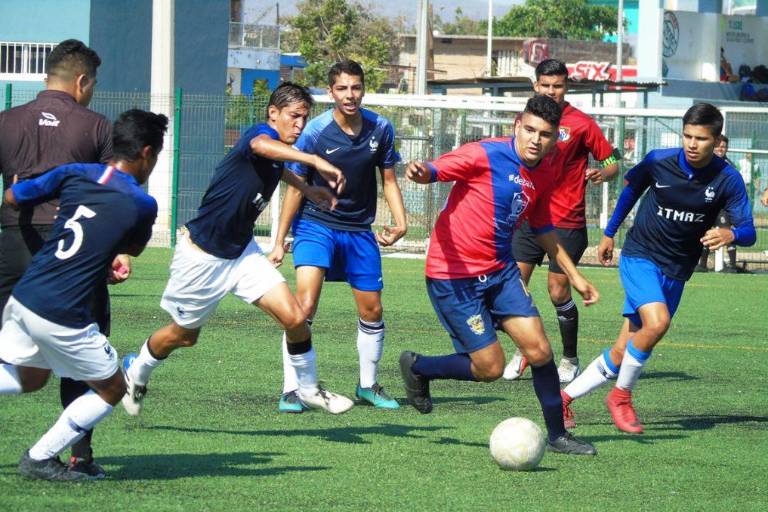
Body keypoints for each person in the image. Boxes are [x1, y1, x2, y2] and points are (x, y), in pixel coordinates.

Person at [121, 83, 355, 417]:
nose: (300, 124)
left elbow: (277, 166)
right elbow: (262, 147)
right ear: (273, 113)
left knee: (296, 318)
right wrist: (315, 160)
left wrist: (307, 189)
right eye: (294, 116)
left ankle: (308, 389)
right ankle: (137, 369)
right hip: (202, 256)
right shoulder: (259, 135)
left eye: (305, 118)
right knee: (184, 336)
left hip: (242, 254)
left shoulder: (277, 153)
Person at [398, 95, 599, 456]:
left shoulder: (547, 169)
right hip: (453, 276)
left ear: (555, 138)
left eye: (545, 134)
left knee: (540, 350)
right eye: (530, 130)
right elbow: (436, 169)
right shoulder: (484, 153)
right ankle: (419, 367)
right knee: (489, 368)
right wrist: (421, 171)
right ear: (517, 126)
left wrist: (575, 276)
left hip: (500, 272)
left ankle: (558, 435)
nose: (536, 140)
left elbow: (542, 226)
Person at [561, 103, 756, 434]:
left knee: (624, 350)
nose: (692, 144)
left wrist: (731, 234)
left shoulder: (728, 179)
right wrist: (609, 232)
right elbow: (631, 192)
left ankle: (563, 398)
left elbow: (749, 231)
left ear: (717, 140)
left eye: (701, 139)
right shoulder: (658, 161)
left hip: (677, 269)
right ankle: (621, 397)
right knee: (658, 322)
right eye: (687, 136)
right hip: (641, 256)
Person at [0, 109, 167, 481]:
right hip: (62, 310)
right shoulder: (142, 203)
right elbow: (133, 248)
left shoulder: (75, 172)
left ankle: (47, 457)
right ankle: (40, 458)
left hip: (25, 296)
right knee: (114, 388)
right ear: (146, 153)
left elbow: (13, 196)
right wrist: (106, 256)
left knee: (31, 378)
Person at [0, 38, 117, 478]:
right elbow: (108, 195)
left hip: (14, 243)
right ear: (82, 81)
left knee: (13, 356)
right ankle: (78, 457)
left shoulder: (6, 121)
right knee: (84, 358)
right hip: (71, 248)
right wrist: (112, 253)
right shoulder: (96, 126)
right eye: (93, 84)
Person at [268, 60, 407, 412]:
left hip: (359, 230)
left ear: (363, 89)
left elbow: (389, 180)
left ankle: (368, 385)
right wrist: (279, 241)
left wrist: (401, 222)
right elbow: (296, 188)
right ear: (331, 92)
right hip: (315, 226)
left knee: (372, 309)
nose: (350, 95)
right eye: (342, 88)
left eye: (356, 87)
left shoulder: (381, 128)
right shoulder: (314, 132)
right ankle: (292, 389)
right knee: (304, 306)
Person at [504, 59, 620, 384]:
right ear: (535, 86)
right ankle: (526, 348)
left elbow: (612, 161)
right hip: (529, 216)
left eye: (557, 86)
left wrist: (603, 172)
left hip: (566, 221)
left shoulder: (582, 124)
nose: (551, 91)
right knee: (513, 287)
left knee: (557, 291)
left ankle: (569, 358)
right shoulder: (526, 120)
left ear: (566, 87)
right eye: (545, 85)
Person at [697, 135, 740, 272]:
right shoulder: (704, 163)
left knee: (726, 231)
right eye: (718, 146)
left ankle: (732, 266)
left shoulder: (729, 166)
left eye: (724, 147)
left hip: (722, 207)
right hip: (706, 205)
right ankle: (702, 265)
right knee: (705, 232)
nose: (721, 149)